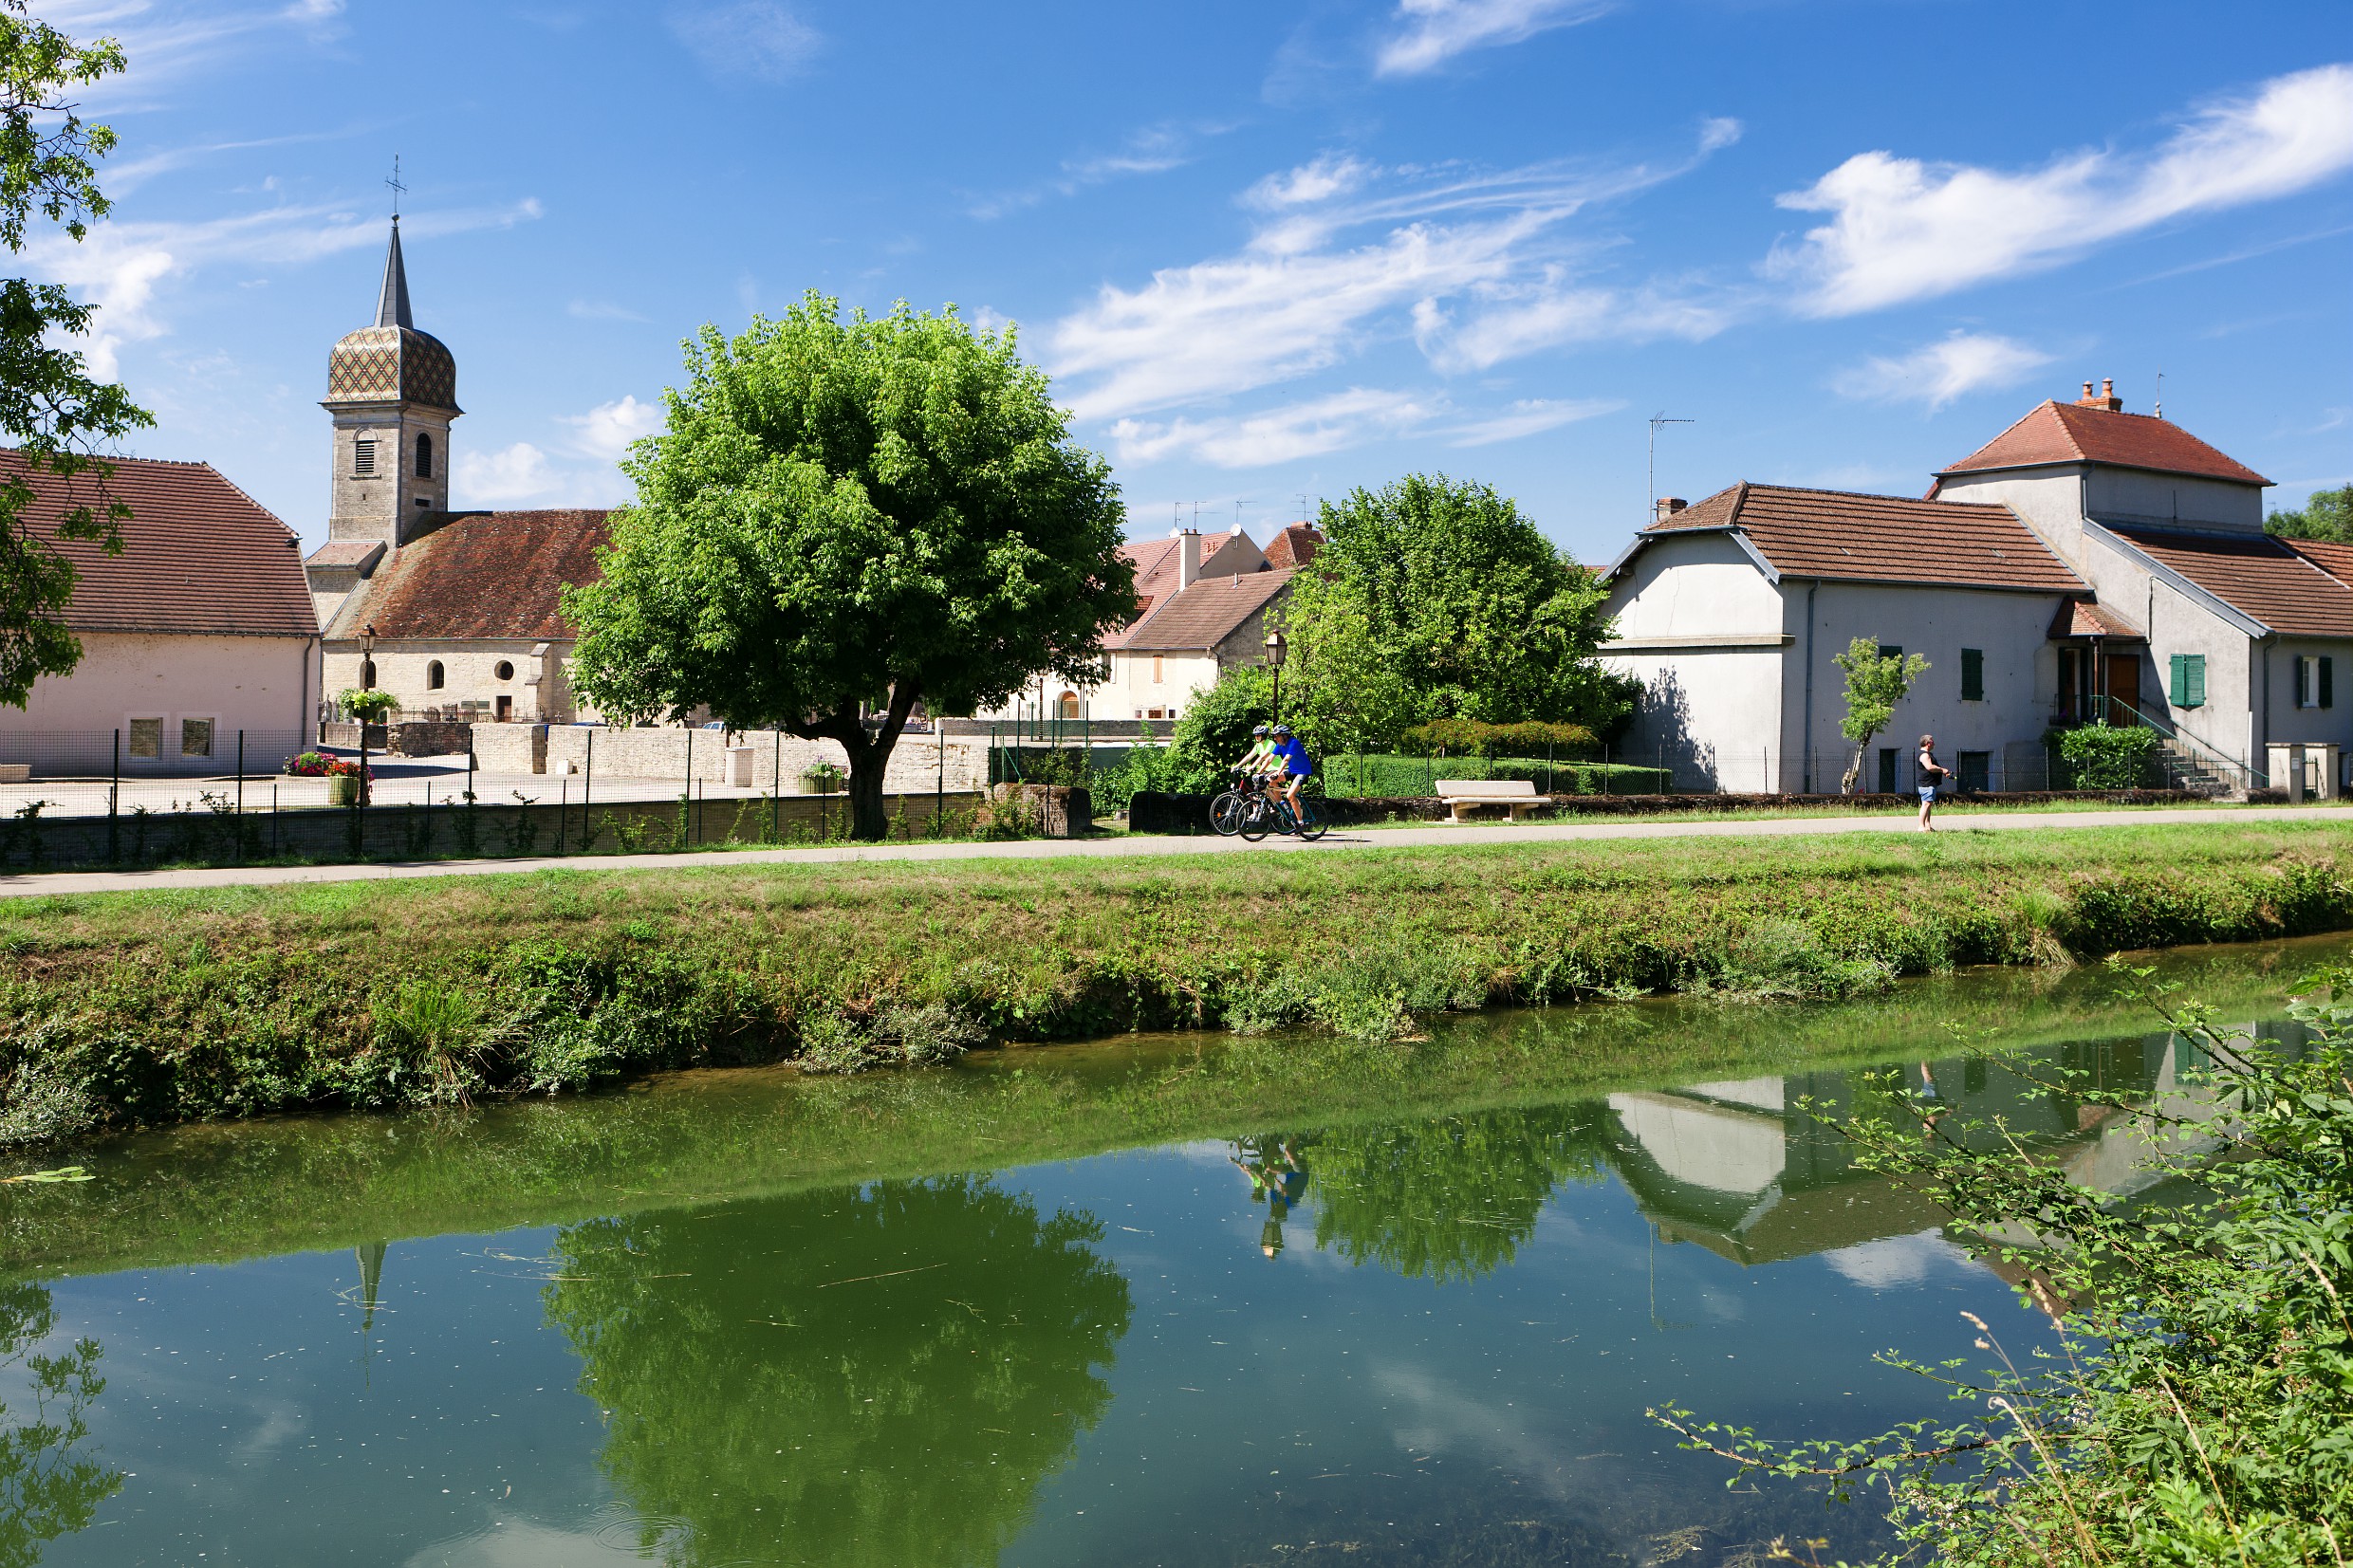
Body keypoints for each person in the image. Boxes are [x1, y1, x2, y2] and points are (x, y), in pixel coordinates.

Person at [1270, 724, 1313, 824]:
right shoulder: (1280, 745)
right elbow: (1269, 759)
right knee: (1271, 781)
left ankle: (1300, 822)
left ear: (1284, 736)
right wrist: (1259, 772)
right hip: (1292, 771)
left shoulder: (1294, 743)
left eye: (1277, 736)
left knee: (1290, 795)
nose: (1275, 738)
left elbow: (1286, 759)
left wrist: (1278, 772)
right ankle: (1282, 805)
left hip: (1303, 772)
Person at [1914, 732, 1951, 831]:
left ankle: (1927, 825)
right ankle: (1921, 827)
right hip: (1927, 784)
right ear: (1927, 743)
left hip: (1930, 784)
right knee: (1926, 804)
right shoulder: (1924, 755)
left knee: (1928, 804)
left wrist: (1942, 772)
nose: (1934, 744)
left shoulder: (1927, 754)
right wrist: (1942, 770)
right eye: (1932, 742)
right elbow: (1929, 767)